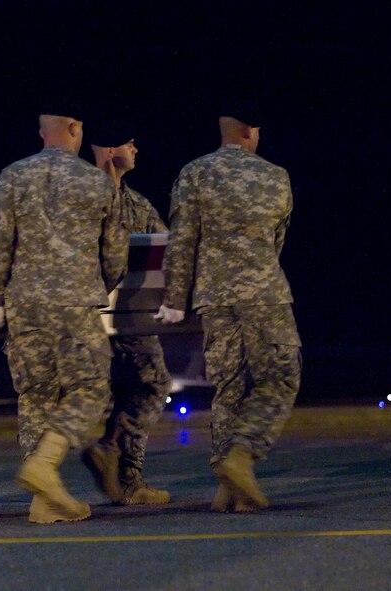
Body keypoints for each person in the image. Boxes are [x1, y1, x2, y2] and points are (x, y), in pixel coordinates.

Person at [0, 106, 130, 523]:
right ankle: (45, 464)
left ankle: (45, 500)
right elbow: (115, 256)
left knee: (36, 396)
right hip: (75, 300)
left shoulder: (12, 176)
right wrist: (100, 285)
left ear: (41, 131)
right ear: (75, 128)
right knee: (90, 388)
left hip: (24, 302)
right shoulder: (97, 182)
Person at [156, 104, 301, 512]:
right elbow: (277, 240)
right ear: (250, 132)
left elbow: (182, 241)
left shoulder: (195, 172)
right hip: (264, 291)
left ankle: (228, 486)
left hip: (214, 294)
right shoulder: (275, 176)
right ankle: (242, 455)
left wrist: (174, 298)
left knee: (229, 386)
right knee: (280, 377)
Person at [82, 125, 173, 505]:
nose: (136, 147)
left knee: (153, 383)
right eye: (127, 141)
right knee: (91, 395)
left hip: (131, 316)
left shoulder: (138, 204)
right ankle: (45, 483)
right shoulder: (79, 195)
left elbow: (164, 250)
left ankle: (125, 472)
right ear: (107, 149)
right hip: (86, 313)